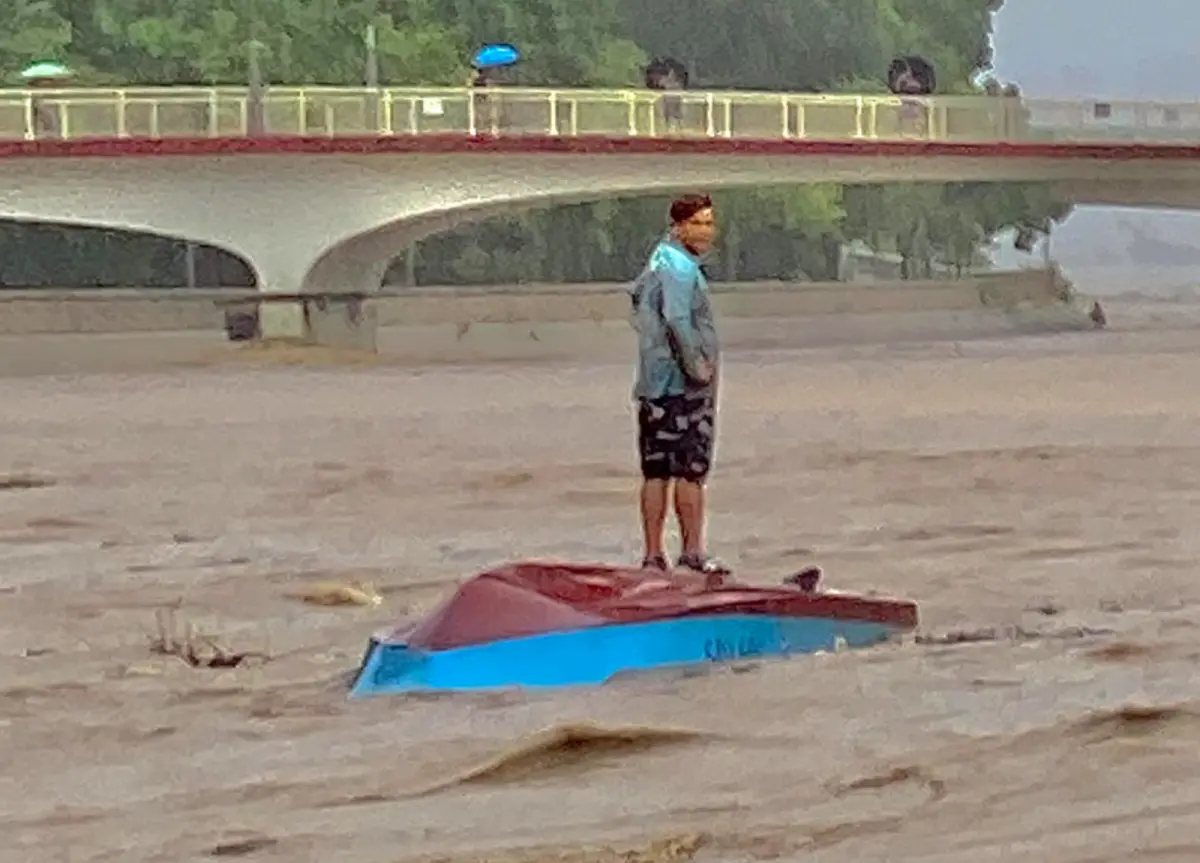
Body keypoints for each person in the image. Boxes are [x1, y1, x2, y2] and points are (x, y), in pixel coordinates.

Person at [628, 193, 728, 575]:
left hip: (652, 385)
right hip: (680, 387)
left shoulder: (657, 261)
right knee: (690, 470)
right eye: (699, 223)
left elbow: (638, 303)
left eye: (709, 223)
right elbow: (676, 318)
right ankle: (691, 552)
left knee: (656, 470)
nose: (706, 231)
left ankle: (653, 556)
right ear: (679, 226)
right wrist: (697, 366)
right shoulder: (679, 267)